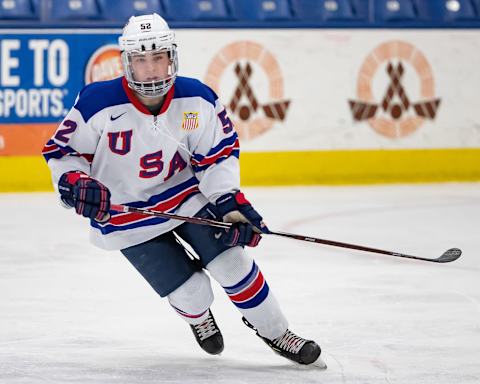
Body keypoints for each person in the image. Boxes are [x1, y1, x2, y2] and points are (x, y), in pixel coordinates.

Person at [42, 13, 324, 366]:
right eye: (141, 60)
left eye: (158, 57)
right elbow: (64, 153)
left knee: (234, 264)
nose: (151, 69)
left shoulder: (197, 99)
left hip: (188, 200)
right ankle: (199, 317)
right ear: (127, 62)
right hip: (127, 217)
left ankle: (278, 332)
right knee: (193, 292)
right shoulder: (98, 102)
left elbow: (217, 155)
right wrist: (74, 182)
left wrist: (227, 201)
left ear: (171, 57)